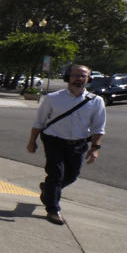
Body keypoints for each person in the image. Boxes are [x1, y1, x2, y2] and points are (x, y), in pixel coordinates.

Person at [26, 63, 105, 225]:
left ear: (88, 78)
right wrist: (32, 141)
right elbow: (39, 122)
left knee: (72, 176)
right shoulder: (53, 98)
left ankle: (48, 190)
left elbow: (99, 127)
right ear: (68, 77)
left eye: (83, 75)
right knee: (56, 174)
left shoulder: (96, 101)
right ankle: (53, 210)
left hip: (78, 143)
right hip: (53, 141)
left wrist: (95, 148)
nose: (79, 78)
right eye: (76, 75)